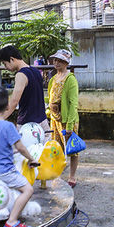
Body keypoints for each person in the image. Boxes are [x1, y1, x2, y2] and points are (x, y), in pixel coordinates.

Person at [0, 86, 39, 227]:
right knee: (28, 190)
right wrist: (31, 158)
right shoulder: (8, 126)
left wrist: (9, 151)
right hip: (4, 171)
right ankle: (12, 221)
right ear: (8, 106)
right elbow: (21, 148)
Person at [47, 49, 80, 188]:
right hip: (55, 118)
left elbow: (73, 103)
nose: (56, 62)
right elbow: (50, 97)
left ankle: (72, 176)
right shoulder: (53, 78)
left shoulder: (70, 78)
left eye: (60, 60)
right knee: (56, 148)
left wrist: (70, 125)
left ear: (66, 62)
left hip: (67, 119)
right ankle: (57, 173)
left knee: (72, 149)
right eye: (55, 60)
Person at [0, 46, 49, 130]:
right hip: (43, 121)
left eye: (5, 64)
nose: (5, 67)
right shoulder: (36, 71)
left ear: (12, 59)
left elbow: (14, 101)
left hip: (28, 124)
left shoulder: (21, 75)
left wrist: (0, 119)